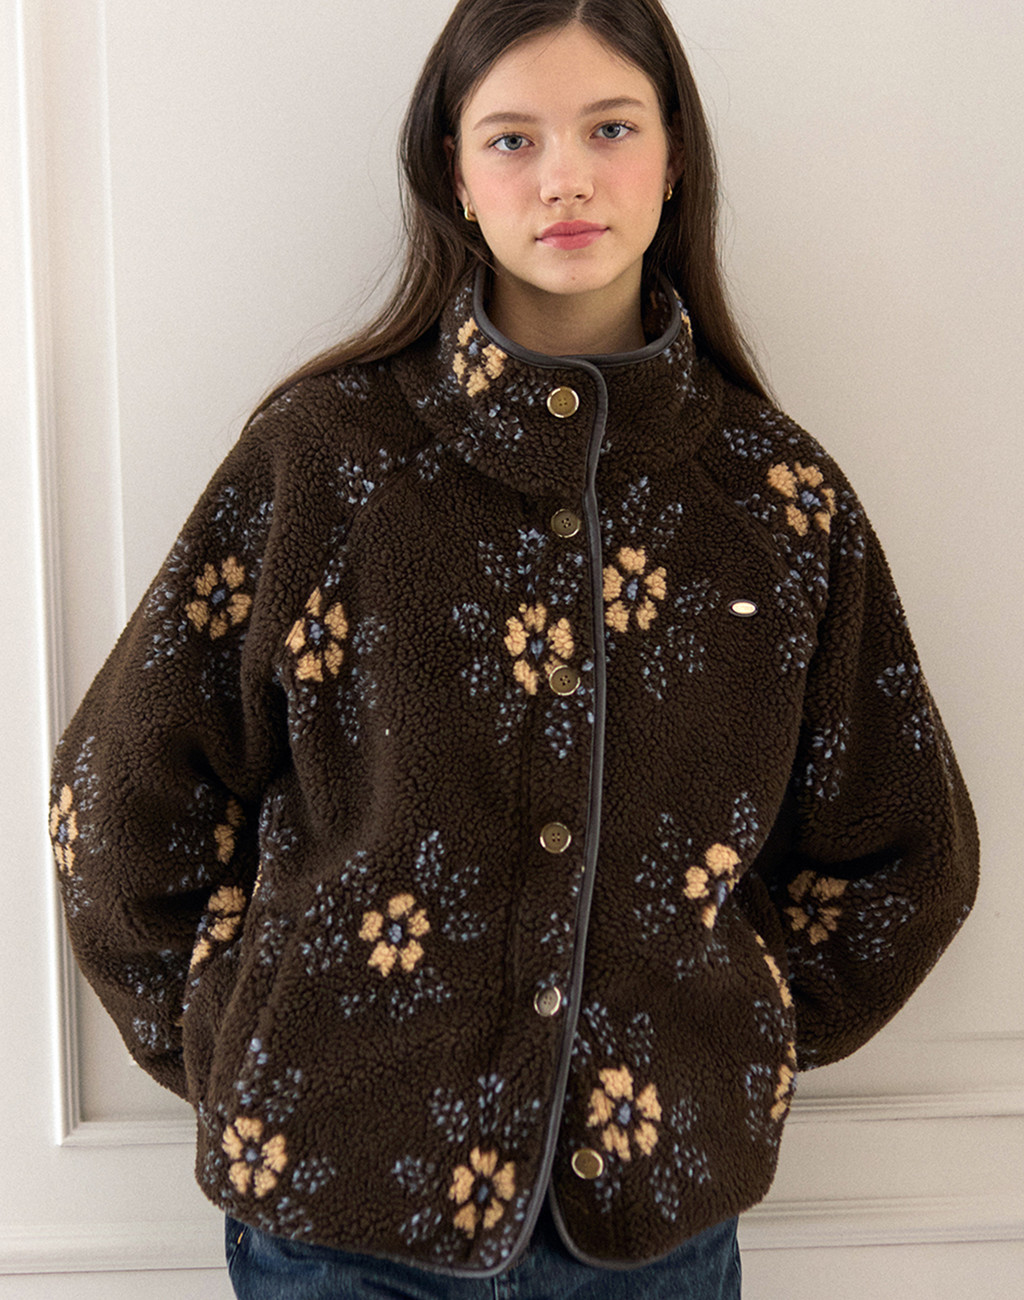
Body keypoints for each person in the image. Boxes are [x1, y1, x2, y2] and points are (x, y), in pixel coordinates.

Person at [48, 1, 979, 1296]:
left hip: (655, 1233)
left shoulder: (778, 503)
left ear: (676, 155)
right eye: (513, 138)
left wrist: (732, 1039)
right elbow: (115, 803)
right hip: (335, 1220)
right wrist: (242, 1037)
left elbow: (906, 850)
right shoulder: (326, 464)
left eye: (612, 128)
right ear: (454, 174)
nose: (566, 177)